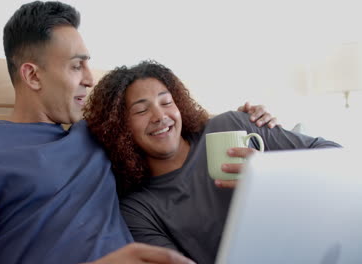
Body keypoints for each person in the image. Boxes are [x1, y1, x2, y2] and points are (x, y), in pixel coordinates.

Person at [0, 2, 277, 264]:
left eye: (89, 64)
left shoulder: (96, 135)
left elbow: (164, 121)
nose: (90, 79)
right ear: (32, 76)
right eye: (77, 66)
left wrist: (242, 118)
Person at [83, 60, 341, 264]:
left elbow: (336, 156)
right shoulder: (138, 209)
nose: (160, 116)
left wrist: (272, 174)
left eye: (166, 102)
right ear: (120, 128)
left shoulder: (232, 126)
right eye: (141, 110)